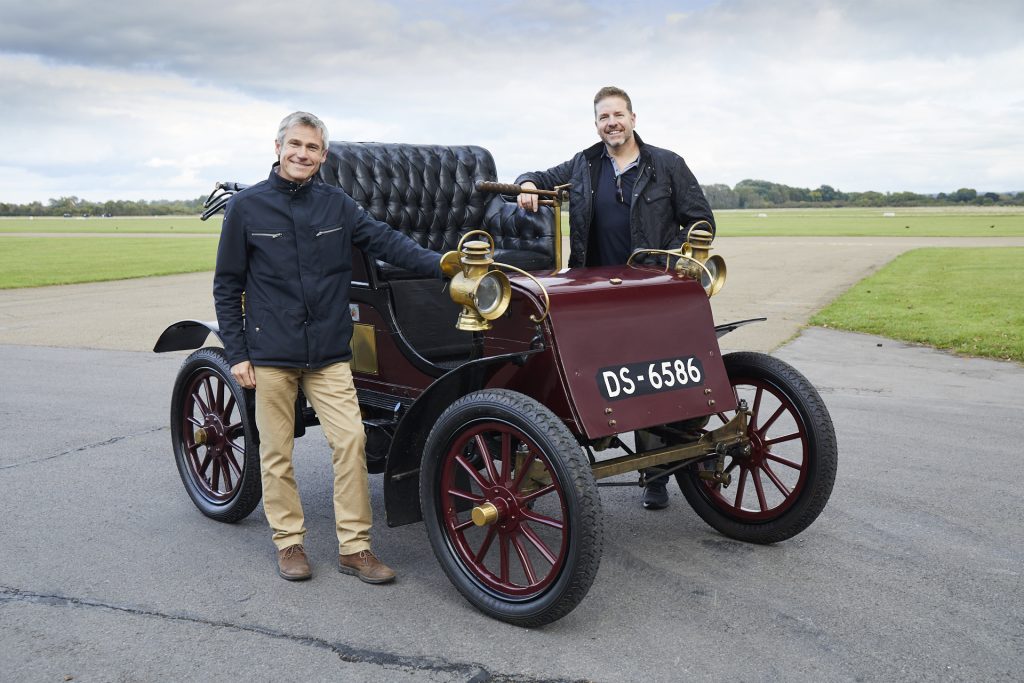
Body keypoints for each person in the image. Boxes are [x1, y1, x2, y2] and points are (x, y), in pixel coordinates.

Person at [214, 112, 443, 583]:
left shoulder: (337, 205)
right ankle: (289, 544)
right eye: (295, 144)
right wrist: (237, 353)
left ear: (323, 156)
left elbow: (386, 241)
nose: (303, 154)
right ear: (277, 148)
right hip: (271, 353)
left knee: (352, 443)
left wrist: (443, 266)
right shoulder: (247, 208)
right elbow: (227, 284)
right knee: (276, 452)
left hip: (329, 354)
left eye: (313, 148)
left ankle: (355, 549)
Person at [515, 86, 716, 511]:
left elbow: (701, 222)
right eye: (604, 117)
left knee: (653, 377)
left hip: (651, 290)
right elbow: (541, 177)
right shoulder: (584, 163)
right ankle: (566, 457)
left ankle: (656, 476)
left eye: (618, 115)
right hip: (594, 293)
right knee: (587, 373)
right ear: (597, 125)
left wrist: (669, 257)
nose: (612, 123)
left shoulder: (667, 164)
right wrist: (527, 183)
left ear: (633, 118)